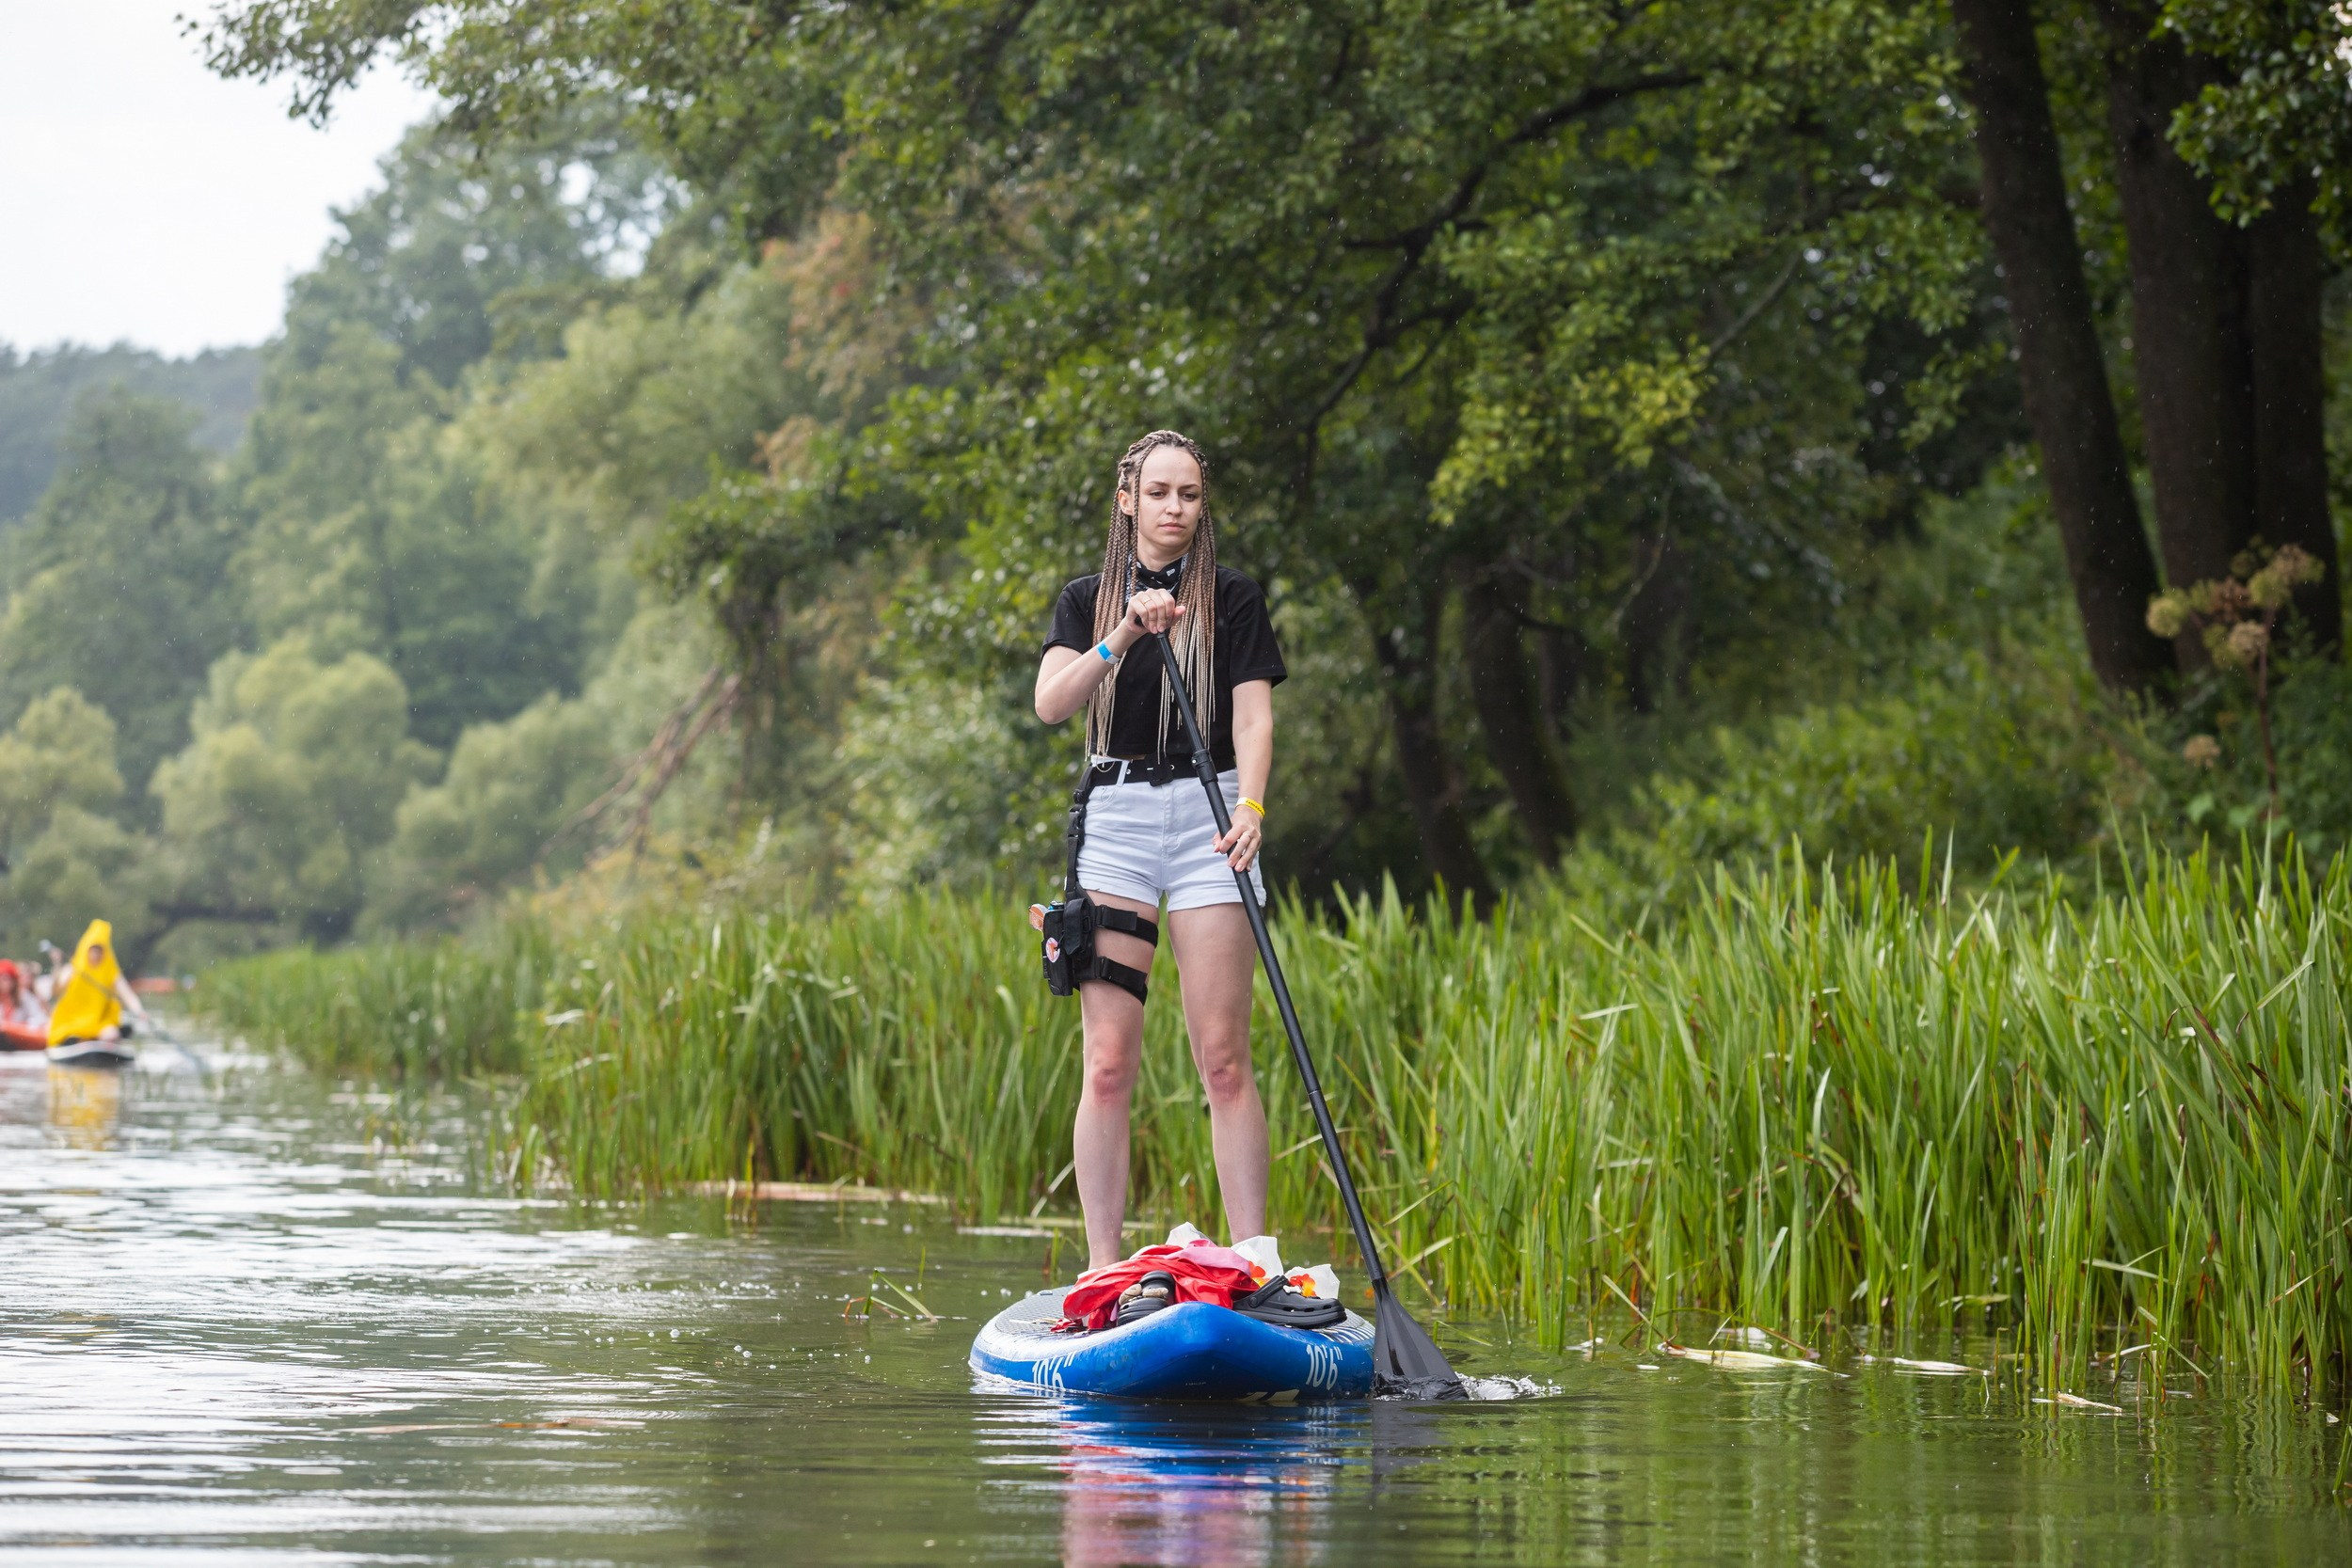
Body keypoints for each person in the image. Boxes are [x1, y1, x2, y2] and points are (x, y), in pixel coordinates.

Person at [1034, 429, 1287, 1283]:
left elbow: (1252, 718)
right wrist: (1123, 634)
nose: (1175, 507)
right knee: (1108, 1062)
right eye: (1160, 492)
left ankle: (1253, 1256)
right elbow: (1051, 704)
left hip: (1213, 811)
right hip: (1118, 818)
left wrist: (1251, 805)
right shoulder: (1085, 599)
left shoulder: (1234, 599)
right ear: (1128, 500)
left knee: (1223, 1056)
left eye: (1189, 493)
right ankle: (1102, 1265)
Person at [45, 920, 151, 1046]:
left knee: (111, 1035)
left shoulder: (111, 972)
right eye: (93, 950)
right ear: (86, 949)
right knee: (73, 1037)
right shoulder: (73, 969)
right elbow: (56, 991)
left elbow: (127, 995)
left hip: (99, 1021)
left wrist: (139, 1011)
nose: (96, 954)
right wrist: (57, 965)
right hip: (72, 1021)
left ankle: (96, 1043)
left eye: (100, 951)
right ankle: (80, 1041)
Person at [0, 959, 47, 1047]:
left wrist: (21, 1027)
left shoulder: (24, 996)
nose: (2, 982)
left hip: (22, 1040)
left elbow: (40, 1018)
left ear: (13, 980)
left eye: (5, 978)